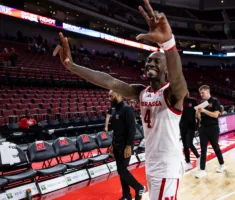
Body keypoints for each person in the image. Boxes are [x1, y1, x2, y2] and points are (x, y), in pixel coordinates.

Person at [53, 0, 188, 198]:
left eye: (156, 61)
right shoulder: (142, 92)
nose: (150, 62)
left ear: (166, 68)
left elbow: (178, 78)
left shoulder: (172, 93)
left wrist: (168, 44)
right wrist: (74, 67)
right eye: (148, 60)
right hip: (153, 164)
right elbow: (111, 82)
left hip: (167, 167)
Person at [107, 91, 144, 200]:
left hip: (125, 145)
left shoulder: (127, 109)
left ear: (118, 95)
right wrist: (112, 144)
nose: (109, 98)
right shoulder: (114, 110)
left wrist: (129, 146)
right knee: (120, 171)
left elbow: (132, 130)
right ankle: (126, 196)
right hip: (117, 144)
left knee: (122, 170)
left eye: (111, 96)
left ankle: (139, 187)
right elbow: (115, 130)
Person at [195, 85, 225, 178]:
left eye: (202, 92)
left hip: (213, 128)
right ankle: (202, 170)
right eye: (200, 93)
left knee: (215, 147)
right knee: (203, 149)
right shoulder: (201, 102)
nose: (201, 94)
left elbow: (216, 115)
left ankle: (222, 164)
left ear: (207, 92)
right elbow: (199, 117)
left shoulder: (215, 101)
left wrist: (204, 110)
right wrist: (198, 113)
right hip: (203, 127)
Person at [180, 92, 200, 170]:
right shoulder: (178, 101)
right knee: (184, 145)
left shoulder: (193, 101)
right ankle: (188, 163)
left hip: (191, 125)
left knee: (189, 143)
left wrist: (198, 124)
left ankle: (198, 157)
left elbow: (198, 112)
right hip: (182, 125)